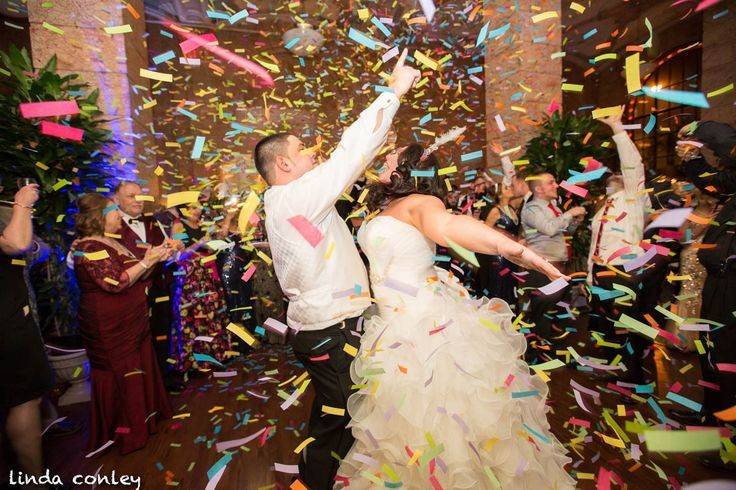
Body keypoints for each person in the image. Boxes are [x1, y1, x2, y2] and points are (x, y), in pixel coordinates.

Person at [335, 141, 574, 489]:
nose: (386, 157)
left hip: (427, 333)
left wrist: (520, 252)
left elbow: (449, 227)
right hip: (392, 327)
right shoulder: (390, 205)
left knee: (445, 432)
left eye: (394, 155)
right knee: (401, 434)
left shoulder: (422, 203)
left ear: (411, 168)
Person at [254, 48, 419, 489]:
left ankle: (313, 479)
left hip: (326, 325)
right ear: (284, 163)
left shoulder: (292, 205)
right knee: (350, 414)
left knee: (333, 413)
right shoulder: (293, 197)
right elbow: (350, 153)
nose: (314, 156)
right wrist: (393, 93)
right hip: (328, 328)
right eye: (304, 151)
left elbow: (321, 246)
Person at [71, 193, 173, 454]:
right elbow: (114, 282)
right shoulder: (88, 247)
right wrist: (145, 261)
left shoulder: (112, 241)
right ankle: (126, 432)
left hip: (133, 320)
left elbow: (138, 275)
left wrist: (154, 258)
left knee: (139, 366)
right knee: (122, 370)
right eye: (114, 210)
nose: (119, 214)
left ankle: (146, 420)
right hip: (110, 326)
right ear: (98, 217)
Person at [675, 120, 736, 470]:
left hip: (731, 288)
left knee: (729, 365)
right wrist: (691, 158)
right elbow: (717, 182)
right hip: (720, 284)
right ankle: (710, 424)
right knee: (713, 357)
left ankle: (726, 448)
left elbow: (728, 142)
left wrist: (700, 127)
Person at [586, 113, 652, 384]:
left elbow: (633, 165)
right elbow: (595, 242)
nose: (614, 175)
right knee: (607, 326)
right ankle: (613, 372)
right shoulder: (605, 205)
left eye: (618, 173)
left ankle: (635, 378)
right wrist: (591, 275)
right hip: (602, 270)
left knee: (627, 325)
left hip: (624, 271)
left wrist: (617, 128)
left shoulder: (635, 199)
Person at [0, 183, 54, 483]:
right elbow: (18, 244)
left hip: (13, 316)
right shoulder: (12, 209)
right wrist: (22, 204)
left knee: (24, 399)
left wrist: (31, 245)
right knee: (23, 399)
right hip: (6, 323)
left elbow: (38, 248)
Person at [112, 180, 184, 392]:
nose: (137, 200)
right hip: (130, 292)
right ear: (116, 200)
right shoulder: (110, 226)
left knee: (161, 334)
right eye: (130, 196)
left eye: (140, 195)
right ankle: (139, 387)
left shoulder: (153, 221)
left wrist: (174, 249)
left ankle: (161, 380)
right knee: (135, 341)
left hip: (159, 290)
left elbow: (168, 256)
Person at [520, 173, 585, 350]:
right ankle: (537, 349)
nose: (556, 185)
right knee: (541, 311)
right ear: (539, 189)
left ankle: (551, 347)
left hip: (558, 267)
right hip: (543, 268)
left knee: (554, 310)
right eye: (551, 183)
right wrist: (570, 213)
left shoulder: (552, 208)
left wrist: (574, 222)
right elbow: (549, 229)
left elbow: (563, 231)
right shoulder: (532, 209)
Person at [169, 202, 232, 373]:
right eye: (194, 207)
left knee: (212, 315)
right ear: (184, 209)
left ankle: (216, 355)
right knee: (196, 318)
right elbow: (177, 256)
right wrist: (199, 244)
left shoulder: (201, 224)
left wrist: (213, 242)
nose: (199, 210)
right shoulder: (178, 225)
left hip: (207, 274)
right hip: (191, 279)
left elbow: (216, 240)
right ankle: (197, 362)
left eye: (199, 207)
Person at [473, 183, 522, 305]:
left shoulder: (511, 209)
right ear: (500, 194)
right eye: (507, 188)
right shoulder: (495, 211)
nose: (511, 188)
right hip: (498, 260)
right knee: (499, 290)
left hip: (511, 258)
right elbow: (484, 234)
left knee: (510, 290)